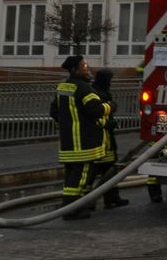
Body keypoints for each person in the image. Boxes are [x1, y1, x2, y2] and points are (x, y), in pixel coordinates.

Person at [50, 55, 110, 219]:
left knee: (72, 176)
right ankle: (69, 210)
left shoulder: (63, 87)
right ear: (75, 69)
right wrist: (110, 106)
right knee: (81, 176)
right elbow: (96, 110)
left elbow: (54, 111)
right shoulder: (84, 88)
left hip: (69, 142)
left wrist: (66, 126)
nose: (87, 67)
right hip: (84, 142)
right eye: (84, 65)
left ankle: (79, 206)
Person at [91, 69, 129, 209]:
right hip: (99, 140)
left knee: (110, 171)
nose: (110, 83)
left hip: (107, 140)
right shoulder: (96, 94)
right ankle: (90, 201)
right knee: (96, 173)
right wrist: (110, 122)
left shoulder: (101, 91)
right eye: (109, 80)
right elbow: (95, 116)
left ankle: (112, 199)